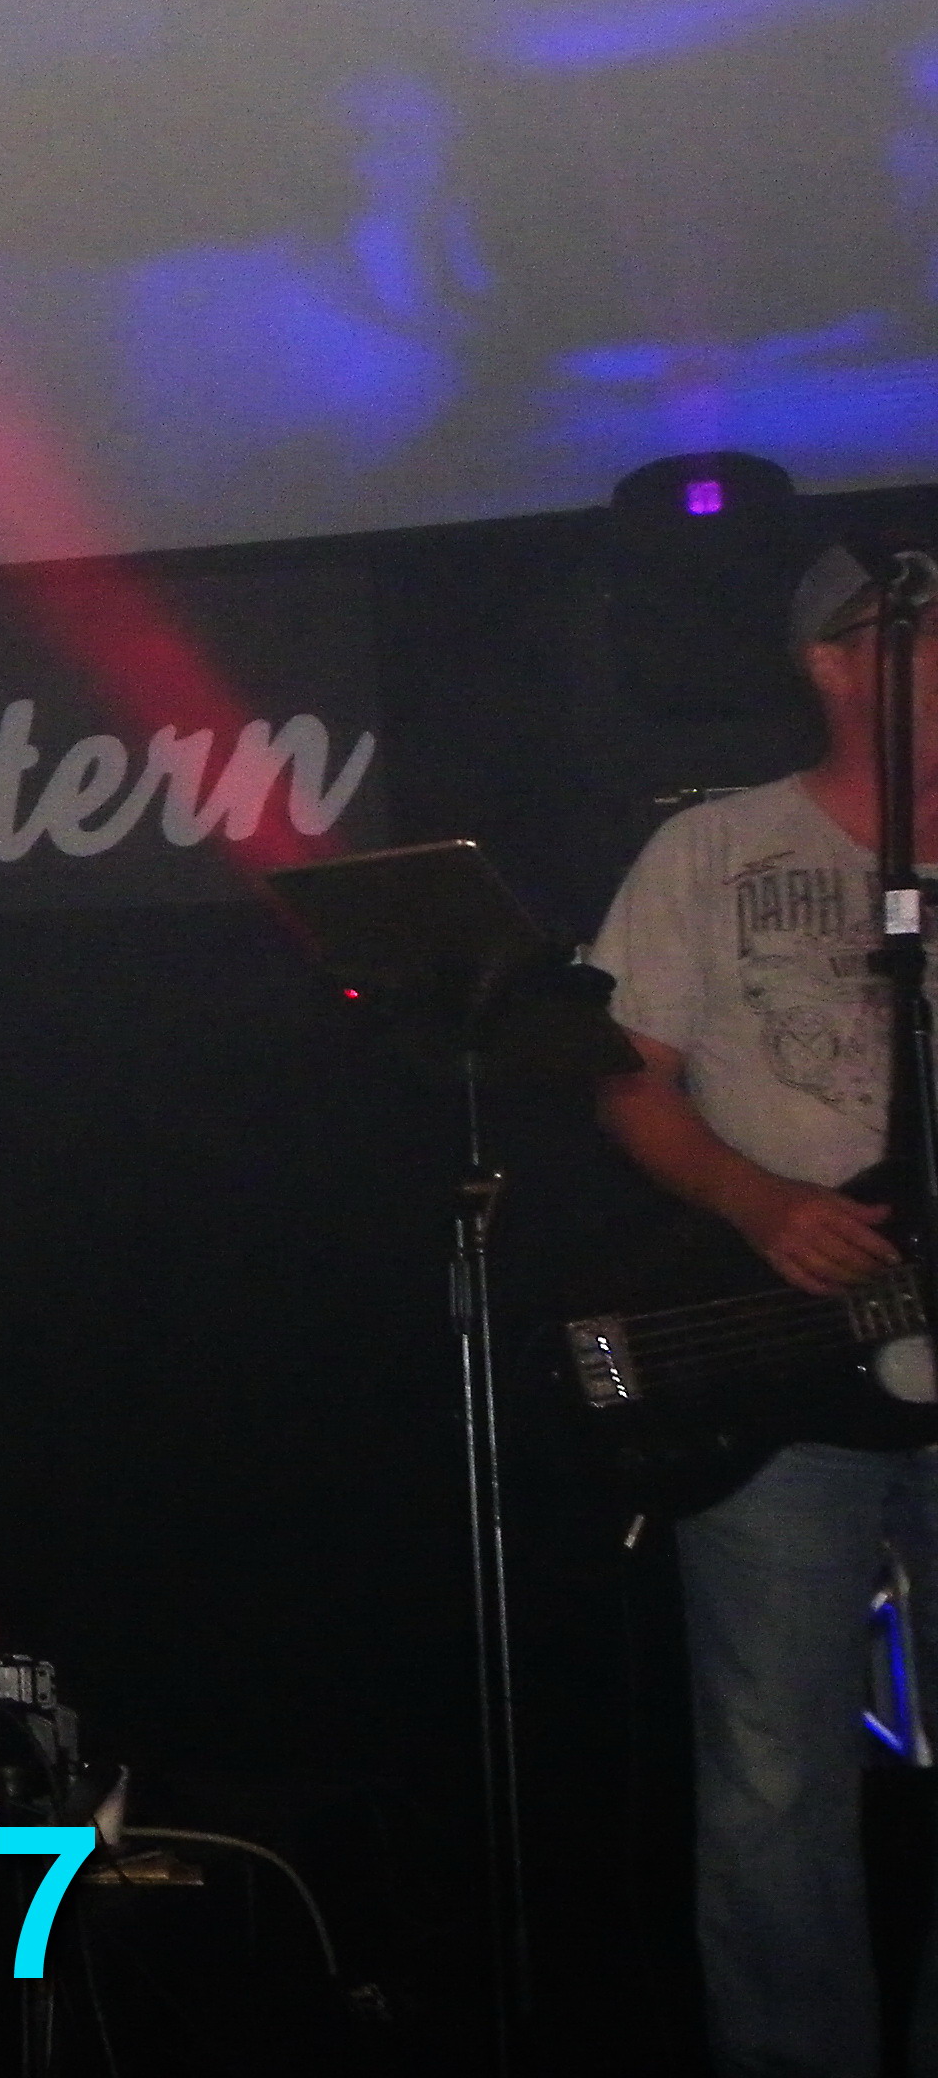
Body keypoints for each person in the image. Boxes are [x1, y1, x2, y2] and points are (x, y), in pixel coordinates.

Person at [593, 541, 938, 2078]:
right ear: (835, 662)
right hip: (785, 1359)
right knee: (775, 1778)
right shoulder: (716, 849)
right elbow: (623, 1077)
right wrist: (756, 1203)